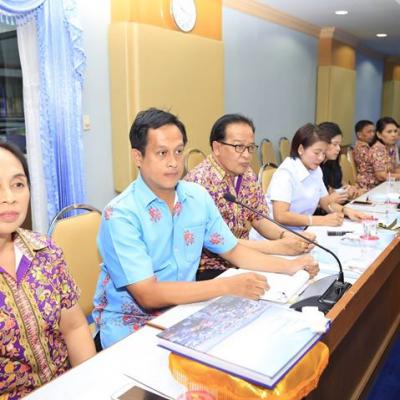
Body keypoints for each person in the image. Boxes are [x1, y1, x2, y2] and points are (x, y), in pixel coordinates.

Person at [92, 108, 319, 349]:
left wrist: (290, 266)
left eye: (179, 151)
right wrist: (227, 286)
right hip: (130, 327)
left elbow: (234, 251)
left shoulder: (196, 197)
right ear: (138, 157)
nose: (173, 162)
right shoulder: (121, 214)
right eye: (162, 153)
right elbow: (147, 294)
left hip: (184, 311)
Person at [0, 142, 95, 399]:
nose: (9, 197)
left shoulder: (46, 251)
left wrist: (92, 387)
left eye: (18, 184)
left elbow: (74, 327)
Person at [184, 113, 316, 280]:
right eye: (239, 147)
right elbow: (220, 243)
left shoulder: (245, 173)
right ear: (217, 147)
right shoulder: (198, 184)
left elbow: (259, 218)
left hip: (246, 260)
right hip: (211, 269)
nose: (246, 155)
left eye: (250, 147)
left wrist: (287, 236)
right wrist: (279, 247)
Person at [265, 123, 365, 230]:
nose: (321, 158)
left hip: (301, 230)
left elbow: (326, 203)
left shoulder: (316, 170)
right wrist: (320, 220)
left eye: (323, 153)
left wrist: (346, 211)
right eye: (317, 153)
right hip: (276, 234)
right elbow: (281, 216)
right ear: (301, 149)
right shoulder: (285, 173)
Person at [318, 122, 362, 204]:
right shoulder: (314, 166)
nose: (338, 148)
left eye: (339, 144)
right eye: (335, 144)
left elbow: (338, 182)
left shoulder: (332, 161)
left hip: (334, 205)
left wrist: (349, 188)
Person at [356, 117, 400, 190]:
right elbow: (381, 176)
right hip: (370, 187)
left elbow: (395, 168)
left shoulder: (391, 147)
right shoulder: (378, 149)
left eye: (395, 131)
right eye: (389, 132)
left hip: (386, 184)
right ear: (379, 135)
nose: (394, 134)